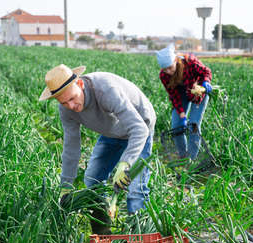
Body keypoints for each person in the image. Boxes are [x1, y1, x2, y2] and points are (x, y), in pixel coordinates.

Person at [39, 64, 156, 232]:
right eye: (64, 102)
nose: (70, 106)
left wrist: (125, 164)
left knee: (136, 190)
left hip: (139, 127)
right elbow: (71, 147)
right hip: (112, 132)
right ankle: (104, 236)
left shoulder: (105, 90)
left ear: (80, 84)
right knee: (92, 180)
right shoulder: (66, 110)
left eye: (72, 99)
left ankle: (139, 240)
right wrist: (66, 185)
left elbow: (139, 129)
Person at [156, 44, 212, 160]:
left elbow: (206, 72)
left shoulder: (189, 62)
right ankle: (183, 157)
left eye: (170, 67)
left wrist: (206, 82)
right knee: (176, 126)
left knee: (194, 125)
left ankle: (192, 159)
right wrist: (182, 114)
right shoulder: (164, 75)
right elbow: (174, 95)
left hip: (197, 91)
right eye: (165, 69)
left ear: (176, 60)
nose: (168, 71)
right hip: (181, 94)